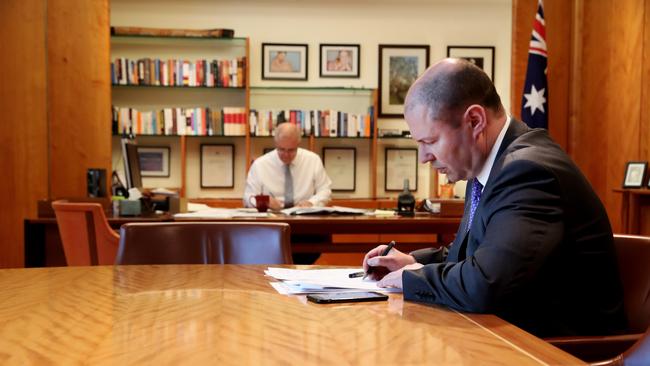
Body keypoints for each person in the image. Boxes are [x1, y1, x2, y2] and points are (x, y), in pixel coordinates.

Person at [362, 58, 626, 338]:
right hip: (510, 334)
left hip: (561, 349)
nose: (424, 157)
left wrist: (410, 277)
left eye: (430, 142)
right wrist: (411, 262)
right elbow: (474, 253)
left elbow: (485, 283)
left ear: (475, 121)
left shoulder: (527, 170)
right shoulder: (489, 166)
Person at [244, 122, 331, 211]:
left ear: (298, 144)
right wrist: (264, 202)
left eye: (291, 150)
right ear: (276, 144)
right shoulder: (260, 164)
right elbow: (248, 198)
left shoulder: (313, 160)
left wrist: (312, 203)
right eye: (281, 149)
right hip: (272, 217)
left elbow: (325, 190)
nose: (286, 155)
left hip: (304, 216)